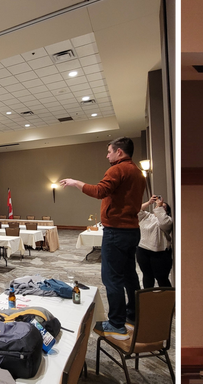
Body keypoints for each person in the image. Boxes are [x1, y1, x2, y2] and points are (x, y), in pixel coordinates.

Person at [57, 136, 146, 335]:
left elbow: (99, 191)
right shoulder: (138, 173)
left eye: (109, 151)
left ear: (119, 152)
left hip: (116, 231)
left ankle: (116, 323)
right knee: (130, 275)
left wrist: (75, 182)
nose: (107, 155)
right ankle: (133, 314)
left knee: (112, 278)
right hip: (132, 230)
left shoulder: (117, 169)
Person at [136, 195, 175, 288]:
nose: (159, 206)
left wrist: (160, 207)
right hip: (143, 250)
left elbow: (164, 224)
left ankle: (168, 300)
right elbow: (136, 211)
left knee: (162, 278)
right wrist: (149, 202)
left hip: (160, 253)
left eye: (163, 206)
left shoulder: (168, 220)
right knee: (147, 277)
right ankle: (148, 299)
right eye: (158, 205)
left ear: (167, 211)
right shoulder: (147, 216)